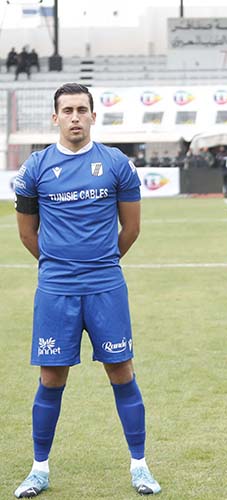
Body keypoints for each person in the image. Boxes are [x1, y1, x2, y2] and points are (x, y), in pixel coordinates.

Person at [12, 83, 161, 497]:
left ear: (94, 116)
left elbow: (130, 229)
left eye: (82, 109)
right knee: (51, 376)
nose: (75, 117)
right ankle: (39, 469)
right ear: (54, 117)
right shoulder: (35, 169)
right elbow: (28, 235)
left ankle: (140, 466)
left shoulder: (117, 164)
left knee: (121, 370)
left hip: (105, 286)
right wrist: (61, 265)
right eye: (67, 110)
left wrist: (100, 264)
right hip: (56, 289)